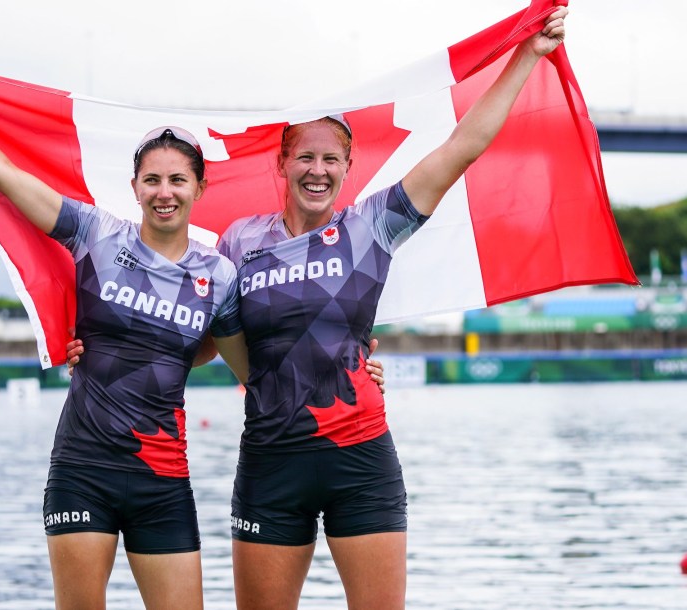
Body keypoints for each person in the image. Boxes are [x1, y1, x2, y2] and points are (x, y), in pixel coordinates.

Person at [217, 7, 569, 609]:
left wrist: (527, 56)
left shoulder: (373, 225)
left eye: (332, 160)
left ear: (349, 170)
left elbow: (463, 148)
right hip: (271, 460)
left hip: (360, 455)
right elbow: (202, 330)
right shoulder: (240, 241)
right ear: (281, 164)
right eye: (305, 157)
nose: (318, 170)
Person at [0, 62, 252, 610]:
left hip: (161, 477)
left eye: (177, 180)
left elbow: (242, 369)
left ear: (200, 186)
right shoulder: (96, 235)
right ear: (134, 187)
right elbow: (0, 172)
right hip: (82, 468)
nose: (164, 192)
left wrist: (351, 366)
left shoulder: (218, 275)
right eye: (152, 179)